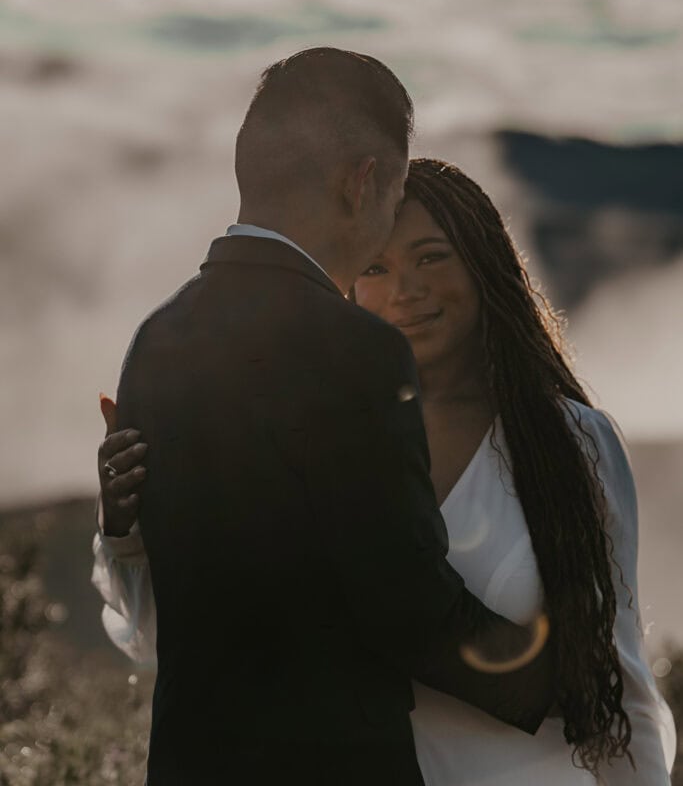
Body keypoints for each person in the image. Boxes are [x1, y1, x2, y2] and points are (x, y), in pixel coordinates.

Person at [95, 153, 675, 784]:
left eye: (431, 256)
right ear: (346, 289)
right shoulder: (310, 443)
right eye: (376, 267)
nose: (406, 289)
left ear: (483, 265)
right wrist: (130, 528)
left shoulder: (573, 442)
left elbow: (620, 678)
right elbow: (187, 647)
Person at [93, 48, 555, 786]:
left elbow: (176, 596)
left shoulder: (154, 340)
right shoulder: (358, 352)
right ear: (362, 182)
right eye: (395, 187)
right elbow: (403, 605)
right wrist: (560, 683)